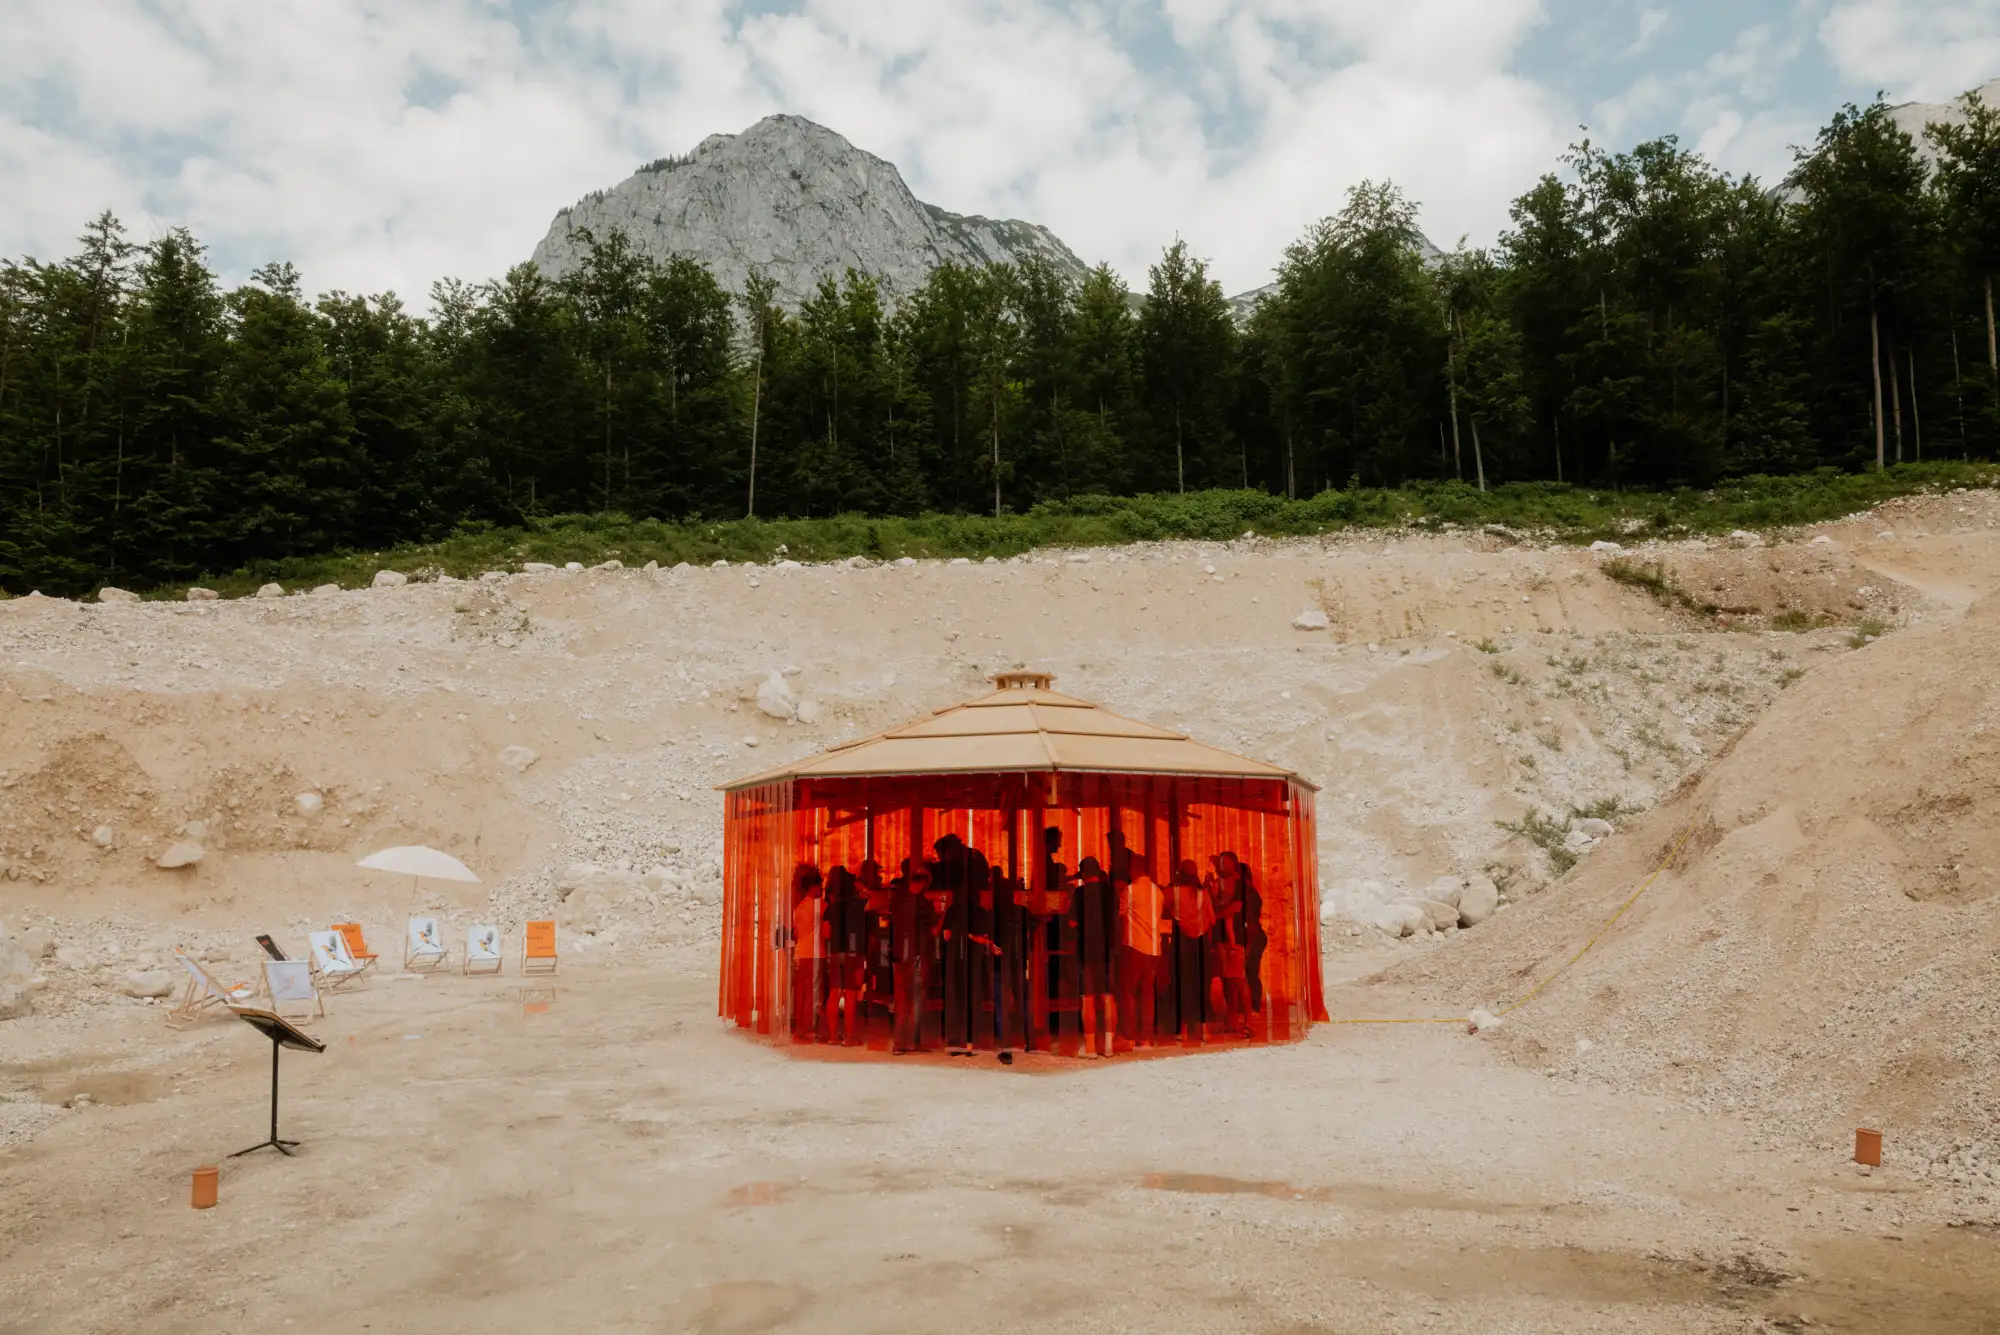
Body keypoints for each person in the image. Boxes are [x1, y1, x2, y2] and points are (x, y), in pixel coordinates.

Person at [1164, 860, 1211, 1043]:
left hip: (1181, 943)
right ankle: (1204, 1030)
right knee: (1202, 985)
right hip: (1200, 942)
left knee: (1182, 985)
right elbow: (1211, 919)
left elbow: (1163, 907)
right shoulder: (1202, 894)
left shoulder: (1173, 893)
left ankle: (1182, 1031)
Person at [1073, 855, 1116, 1056]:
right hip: (1108, 949)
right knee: (1108, 997)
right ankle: (1108, 1045)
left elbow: (1072, 923)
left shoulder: (1080, 893)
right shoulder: (1110, 893)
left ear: (1082, 874)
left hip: (1087, 950)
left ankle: (1090, 1047)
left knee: (1088, 998)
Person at [1116, 864, 1163, 1049]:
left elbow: (1121, 916)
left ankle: (1129, 1035)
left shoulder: (1130, 890)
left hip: (1136, 946)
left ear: (1135, 870)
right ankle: (1146, 1037)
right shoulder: (1158, 892)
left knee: (1128, 991)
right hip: (1155, 948)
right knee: (1147, 994)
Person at [892, 862, 936, 1053]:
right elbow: (933, 931)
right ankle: (911, 1041)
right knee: (916, 1001)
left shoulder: (897, 900)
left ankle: (898, 1043)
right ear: (925, 882)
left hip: (899, 954)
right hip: (916, 955)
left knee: (902, 999)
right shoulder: (924, 904)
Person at [1207, 854, 1251, 1037]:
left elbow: (1236, 908)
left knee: (1239, 980)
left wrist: (1216, 916)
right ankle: (1231, 1021)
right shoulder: (1218, 884)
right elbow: (1214, 904)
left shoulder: (1240, 884)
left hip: (1235, 937)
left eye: (1225, 863)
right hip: (1220, 936)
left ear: (1233, 864)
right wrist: (1210, 890)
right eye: (1220, 863)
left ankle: (1248, 1022)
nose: (1221, 866)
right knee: (1226, 980)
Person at [825, 864, 867, 1045]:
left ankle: (833, 1035)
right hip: (854, 952)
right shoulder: (859, 905)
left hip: (835, 952)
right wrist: (862, 888)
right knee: (850, 995)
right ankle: (849, 1036)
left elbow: (826, 933)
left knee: (834, 994)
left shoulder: (831, 907)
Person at [789, 865, 826, 1042]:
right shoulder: (820, 906)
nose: (821, 889)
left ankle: (800, 1028)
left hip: (800, 952)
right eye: (820, 885)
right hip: (815, 953)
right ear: (813, 886)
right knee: (814, 993)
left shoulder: (799, 907)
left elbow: (796, 933)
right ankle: (811, 1029)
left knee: (801, 993)